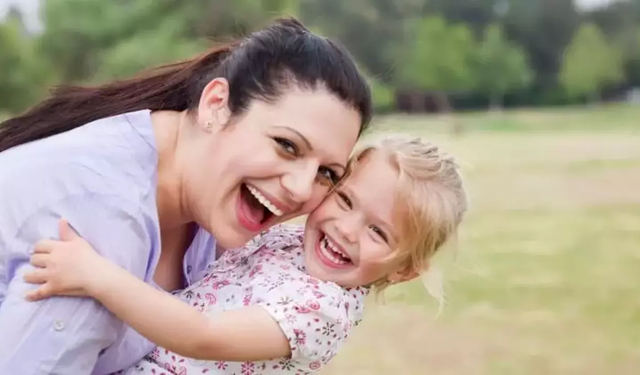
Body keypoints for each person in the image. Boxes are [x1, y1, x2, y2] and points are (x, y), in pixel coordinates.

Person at [0, 18, 372, 374]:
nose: (302, 189)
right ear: (215, 106)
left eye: (327, 173)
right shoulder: (92, 238)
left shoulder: (212, 201)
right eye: (287, 145)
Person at [24, 136, 468, 374]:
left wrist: (96, 275)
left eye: (378, 232)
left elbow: (204, 336)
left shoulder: (323, 310)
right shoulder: (291, 242)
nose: (346, 230)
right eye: (346, 200)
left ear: (405, 270)